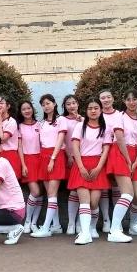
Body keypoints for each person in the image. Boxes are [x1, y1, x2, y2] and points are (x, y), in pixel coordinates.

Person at [67, 98, 111, 244]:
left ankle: (92, 227)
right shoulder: (80, 126)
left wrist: (98, 168)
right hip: (81, 164)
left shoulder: (105, 128)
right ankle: (85, 233)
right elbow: (75, 147)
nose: (93, 111)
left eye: (96, 108)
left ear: (100, 110)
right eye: (90, 108)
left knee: (94, 202)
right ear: (86, 111)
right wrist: (80, 167)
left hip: (98, 165)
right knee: (84, 201)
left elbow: (106, 150)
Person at [106, 89, 137, 243]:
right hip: (120, 153)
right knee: (127, 193)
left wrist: (135, 161)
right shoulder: (120, 117)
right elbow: (119, 138)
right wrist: (128, 160)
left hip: (135, 156)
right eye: (128, 99)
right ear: (124, 101)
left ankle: (134, 226)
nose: (131, 102)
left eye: (134, 99)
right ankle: (114, 230)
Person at [30, 94, 67, 238]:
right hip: (43, 157)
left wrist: (53, 158)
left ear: (54, 103)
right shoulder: (41, 123)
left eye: (48, 103)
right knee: (51, 195)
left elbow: (60, 140)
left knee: (51, 193)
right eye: (43, 104)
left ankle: (45, 228)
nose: (46, 106)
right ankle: (56, 225)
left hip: (56, 156)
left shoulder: (61, 120)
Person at [17, 100, 43, 233]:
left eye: (29, 108)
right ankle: (27, 221)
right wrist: (23, 165)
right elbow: (19, 147)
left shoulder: (40, 124)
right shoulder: (19, 126)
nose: (27, 111)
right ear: (20, 112)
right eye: (24, 109)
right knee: (35, 192)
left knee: (41, 193)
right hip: (28, 160)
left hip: (41, 159)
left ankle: (34, 223)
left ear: (32, 109)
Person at [62, 94, 84, 236]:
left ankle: (79, 223)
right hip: (68, 158)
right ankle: (71, 223)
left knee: (80, 190)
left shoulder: (84, 119)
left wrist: (81, 120)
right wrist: (69, 156)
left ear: (78, 104)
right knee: (73, 190)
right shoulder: (62, 120)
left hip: (83, 159)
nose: (72, 106)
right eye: (68, 104)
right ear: (65, 106)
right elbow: (62, 140)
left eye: (74, 103)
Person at [98, 88, 119, 232]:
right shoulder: (96, 114)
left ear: (113, 98)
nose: (106, 100)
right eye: (103, 98)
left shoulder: (120, 115)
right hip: (100, 153)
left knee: (116, 184)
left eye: (108, 97)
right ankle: (106, 219)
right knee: (104, 186)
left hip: (116, 152)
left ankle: (117, 222)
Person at [0, 95, 21, 179]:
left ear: (8, 106)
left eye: (1, 103)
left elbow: (1, 139)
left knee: (10, 183)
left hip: (10, 156)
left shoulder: (11, 121)